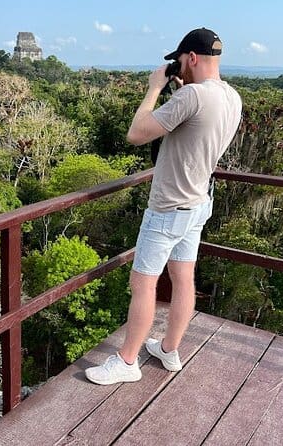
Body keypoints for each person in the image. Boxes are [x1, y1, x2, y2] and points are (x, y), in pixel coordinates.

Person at [85, 28, 242, 385]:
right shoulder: (231, 96)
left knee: (142, 284)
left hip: (169, 207)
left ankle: (127, 362)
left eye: (180, 61)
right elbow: (193, 128)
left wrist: (155, 87)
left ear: (191, 58)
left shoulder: (192, 97)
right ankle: (168, 349)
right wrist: (180, 89)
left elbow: (136, 133)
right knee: (184, 278)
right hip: (199, 203)